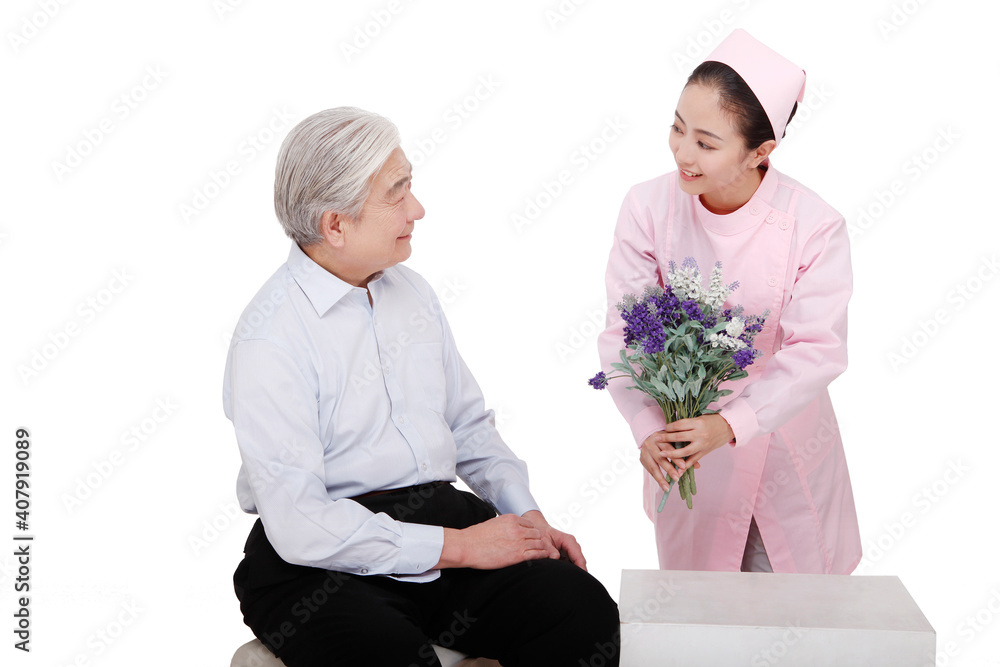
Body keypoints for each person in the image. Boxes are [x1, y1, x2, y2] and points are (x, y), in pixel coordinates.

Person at [223, 107, 620, 666]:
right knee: (391, 654)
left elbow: (467, 426)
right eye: (397, 193)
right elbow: (300, 521)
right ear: (335, 224)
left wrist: (525, 516)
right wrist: (461, 548)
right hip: (315, 555)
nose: (417, 209)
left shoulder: (411, 293)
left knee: (580, 611)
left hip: (433, 516)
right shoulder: (269, 337)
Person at [596, 29, 862, 575]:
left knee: (790, 620)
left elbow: (816, 350)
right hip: (684, 443)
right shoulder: (647, 206)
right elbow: (626, 331)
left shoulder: (814, 225)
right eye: (676, 128)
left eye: (706, 143)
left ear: (760, 151)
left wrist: (731, 424)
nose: (682, 154)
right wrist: (648, 428)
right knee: (699, 615)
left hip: (785, 443)